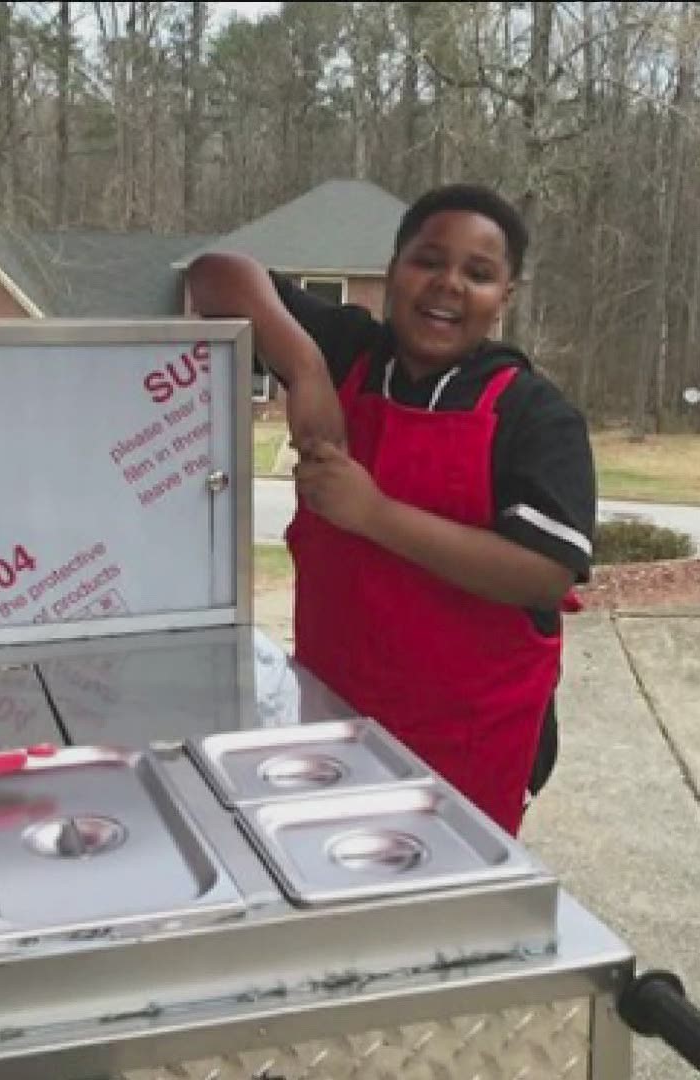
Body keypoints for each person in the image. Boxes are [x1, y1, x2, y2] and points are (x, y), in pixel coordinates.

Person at [187, 183, 597, 836]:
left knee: (443, 910)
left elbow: (545, 571)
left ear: (504, 300)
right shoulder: (349, 350)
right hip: (335, 709)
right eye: (428, 260)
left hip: (473, 736)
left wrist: (372, 513)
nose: (449, 285)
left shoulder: (534, 415)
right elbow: (215, 275)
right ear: (393, 270)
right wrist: (307, 370)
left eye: (479, 274)